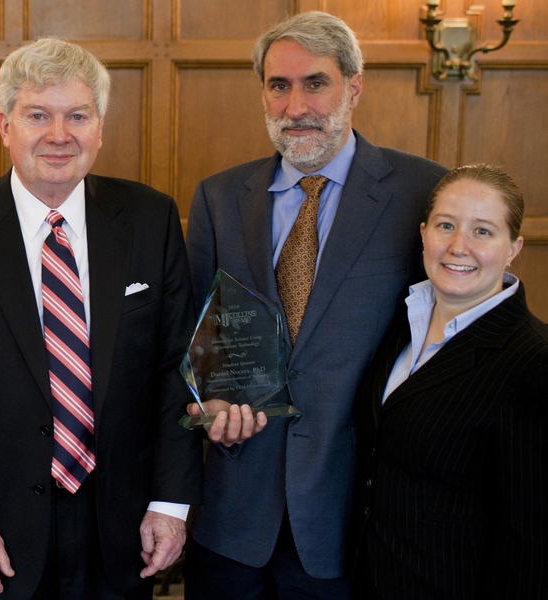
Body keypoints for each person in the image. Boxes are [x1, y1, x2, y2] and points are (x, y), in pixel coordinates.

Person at [0, 38, 202, 600]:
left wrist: (170, 502)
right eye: (38, 115)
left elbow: (175, 367)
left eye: (77, 116)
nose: (59, 135)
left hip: (123, 526)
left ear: (100, 127)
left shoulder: (149, 217)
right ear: (4, 124)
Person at [182, 11, 449, 600]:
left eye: (315, 83)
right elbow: (195, 337)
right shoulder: (220, 197)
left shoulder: (421, 192)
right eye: (280, 86)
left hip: (351, 515)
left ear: (353, 86)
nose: (296, 106)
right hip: (232, 514)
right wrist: (210, 405)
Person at [353, 164, 548, 599]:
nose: (458, 246)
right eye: (446, 225)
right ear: (424, 233)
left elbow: (533, 541)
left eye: (483, 232)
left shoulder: (535, 362)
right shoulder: (403, 322)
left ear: (513, 247)